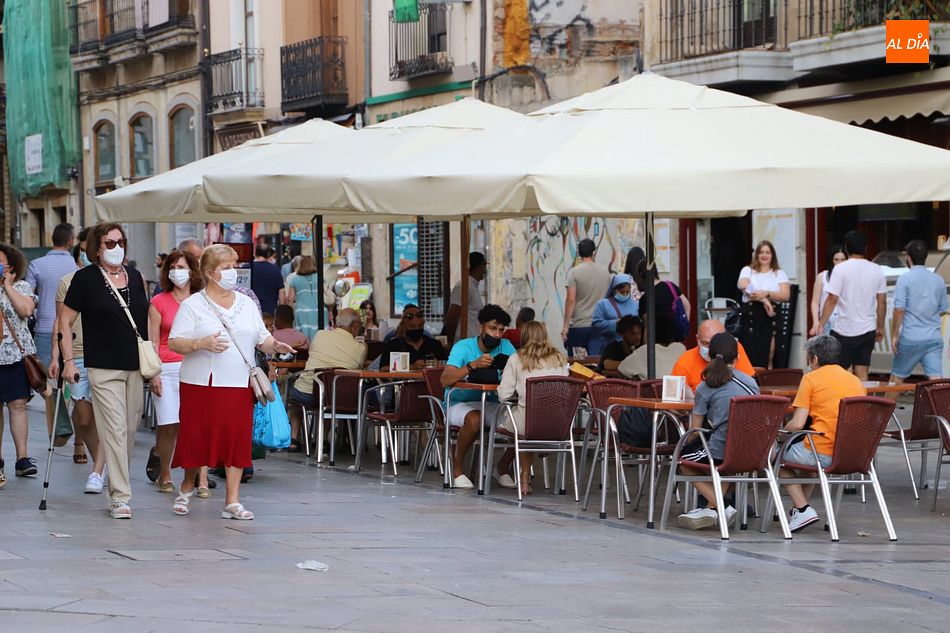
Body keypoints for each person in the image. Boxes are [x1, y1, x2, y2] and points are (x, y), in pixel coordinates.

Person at [167, 245, 295, 520]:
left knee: (236, 440)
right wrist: (201, 343)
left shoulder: (247, 304)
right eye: (226, 267)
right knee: (197, 437)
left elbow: (262, 338)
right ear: (211, 273)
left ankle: (232, 501)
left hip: (237, 382)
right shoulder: (193, 305)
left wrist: (277, 345)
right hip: (200, 383)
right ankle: (187, 486)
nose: (232, 272)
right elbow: (174, 341)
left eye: (234, 266)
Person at [60, 223, 157, 519]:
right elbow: (64, 322)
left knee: (128, 430)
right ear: (97, 248)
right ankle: (119, 496)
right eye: (109, 243)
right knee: (113, 429)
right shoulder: (85, 279)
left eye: (120, 242)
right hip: (101, 365)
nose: (116, 248)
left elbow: (146, 317)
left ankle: (117, 486)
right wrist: (67, 361)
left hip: (133, 365)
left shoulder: (135, 276)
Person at [780, 335, 866, 532]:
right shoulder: (856, 381)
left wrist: (781, 435)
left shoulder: (810, 379)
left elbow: (798, 423)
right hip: (850, 455)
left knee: (776, 459)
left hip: (822, 452)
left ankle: (802, 509)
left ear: (815, 359)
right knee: (806, 459)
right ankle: (798, 509)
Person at [676, 333, 759, 529]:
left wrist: (685, 443)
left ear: (710, 356)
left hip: (723, 449)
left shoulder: (706, 386)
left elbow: (695, 430)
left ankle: (722, 508)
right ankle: (712, 508)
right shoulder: (751, 382)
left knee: (684, 462)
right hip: (752, 450)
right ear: (737, 358)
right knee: (725, 465)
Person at [147, 250, 212, 497]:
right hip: (166, 368)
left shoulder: (202, 301)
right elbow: (152, 340)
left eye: (182, 266)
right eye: (173, 266)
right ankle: (165, 473)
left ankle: (202, 478)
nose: (177, 271)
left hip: (197, 366)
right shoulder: (158, 302)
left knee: (198, 424)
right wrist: (154, 373)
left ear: (193, 270)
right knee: (168, 425)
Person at [441, 304, 516, 489]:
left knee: (521, 421)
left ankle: (502, 467)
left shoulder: (506, 347)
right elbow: (445, 380)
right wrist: (471, 366)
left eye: (501, 330)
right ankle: (457, 468)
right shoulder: (463, 346)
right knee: (475, 419)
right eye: (493, 328)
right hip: (458, 402)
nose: (497, 335)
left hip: (491, 402)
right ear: (481, 327)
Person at [51, 252, 106, 493]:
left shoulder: (115, 279)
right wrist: (57, 357)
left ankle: (99, 471)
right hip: (78, 354)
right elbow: (60, 321)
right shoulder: (68, 281)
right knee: (84, 418)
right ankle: (100, 466)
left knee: (107, 415)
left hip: (107, 354)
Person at [496, 321, 569, 495]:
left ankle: (524, 479)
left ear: (523, 337)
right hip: (558, 424)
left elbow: (503, 395)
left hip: (527, 424)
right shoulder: (560, 358)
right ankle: (542, 448)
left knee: (524, 424)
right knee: (531, 423)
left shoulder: (516, 358)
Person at [287, 308, 367, 452]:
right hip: (338, 397)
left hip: (307, 394)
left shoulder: (320, 335)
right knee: (331, 398)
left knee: (297, 393)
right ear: (355, 325)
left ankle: (294, 438)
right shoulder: (360, 348)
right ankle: (323, 438)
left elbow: (312, 353)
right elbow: (359, 367)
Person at [811, 230, 886, 380]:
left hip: (843, 329)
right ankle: (862, 402)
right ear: (865, 248)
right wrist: (880, 326)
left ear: (846, 248)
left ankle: (844, 402)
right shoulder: (877, 270)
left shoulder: (840, 269)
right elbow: (882, 301)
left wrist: (821, 323)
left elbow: (832, 298)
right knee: (862, 371)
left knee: (841, 372)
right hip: (868, 328)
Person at [0, 243, 38, 487]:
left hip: (15, 356)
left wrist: (7, 286)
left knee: (18, 405)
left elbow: (25, 309)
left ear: (11, 266)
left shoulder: (22, 287)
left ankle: (22, 457)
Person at [890, 239, 947, 383]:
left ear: (908, 257)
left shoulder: (904, 279)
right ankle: (941, 405)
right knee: (936, 380)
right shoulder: (938, 279)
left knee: (897, 377)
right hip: (933, 338)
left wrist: (895, 335)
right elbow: (942, 310)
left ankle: (887, 406)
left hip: (911, 337)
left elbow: (899, 309)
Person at [26, 223, 76, 370]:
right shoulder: (76, 266)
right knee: (72, 381)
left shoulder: (36, 264)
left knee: (46, 380)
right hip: (72, 329)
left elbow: (27, 296)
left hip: (44, 327)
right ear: (71, 240)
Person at [737, 240, 791, 369]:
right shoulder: (748, 270)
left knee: (769, 355)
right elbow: (744, 285)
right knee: (749, 356)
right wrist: (764, 300)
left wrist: (766, 293)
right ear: (756, 254)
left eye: (768, 252)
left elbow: (785, 295)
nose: (764, 255)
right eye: (761, 252)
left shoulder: (778, 273)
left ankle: (767, 384)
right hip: (751, 317)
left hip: (770, 316)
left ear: (772, 255)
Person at [671, 320, 756, 392]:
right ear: (697, 340)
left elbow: (748, 385)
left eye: (715, 344)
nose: (710, 349)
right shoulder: (685, 361)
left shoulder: (733, 348)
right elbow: (673, 397)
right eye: (705, 343)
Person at [561, 238, 611, 355]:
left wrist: (565, 326)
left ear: (579, 253)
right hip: (599, 326)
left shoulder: (573, 273)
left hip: (579, 326)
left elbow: (571, 299)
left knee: (578, 366)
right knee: (596, 364)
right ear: (594, 252)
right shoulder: (605, 273)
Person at [636, 261, 691, 344]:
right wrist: (683, 328)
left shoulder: (645, 298)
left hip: (658, 344)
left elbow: (648, 328)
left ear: (641, 275)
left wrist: (645, 349)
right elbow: (687, 306)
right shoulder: (671, 286)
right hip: (677, 341)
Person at [379, 304, 447, 370]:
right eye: (412, 327)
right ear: (403, 326)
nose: (416, 329)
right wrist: (411, 367)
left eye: (419, 326)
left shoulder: (435, 345)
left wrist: (437, 365)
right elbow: (383, 369)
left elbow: (447, 366)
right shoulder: (392, 346)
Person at [445, 252, 488, 344]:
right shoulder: (463, 286)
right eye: (485, 265)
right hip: (465, 342)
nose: (485, 269)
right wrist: (450, 342)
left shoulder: (472, 286)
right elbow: (453, 315)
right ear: (480, 267)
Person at [617, 324, 686, 380]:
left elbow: (622, 368)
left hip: (653, 394)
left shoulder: (646, 349)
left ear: (651, 333)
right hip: (678, 393)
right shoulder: (681, 348)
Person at [592, 273, 639, 353]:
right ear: (614, 290)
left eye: (627, 292)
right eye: (622, 292)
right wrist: (615, 323)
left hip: (630, 348)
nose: (625, 294)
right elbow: (596, 325)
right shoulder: (603, 304)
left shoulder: (635, 304)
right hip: (610, 347)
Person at [810, 246, 846, 337]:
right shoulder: (822, 276)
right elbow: (815, 302)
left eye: (843, 259)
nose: (839, 263)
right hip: (826, 322)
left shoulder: (851, 277)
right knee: (826, 351)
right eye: (836, 259)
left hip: (845, 323)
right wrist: (816, 321)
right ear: (831, 260)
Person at [287, 255, 321, 340]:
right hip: (320, 311)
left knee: (304, 339)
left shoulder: (295, 279)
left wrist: (291, 314)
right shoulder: (319, 277)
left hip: (301, 312)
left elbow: (290, 299)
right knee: (320, 337)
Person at [250, 246, 283, 317]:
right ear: (268, 254)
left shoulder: (247, 268)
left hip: (250, 310)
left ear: (255, 254)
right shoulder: (275, 270)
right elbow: (281, 292)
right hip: (270, 310)